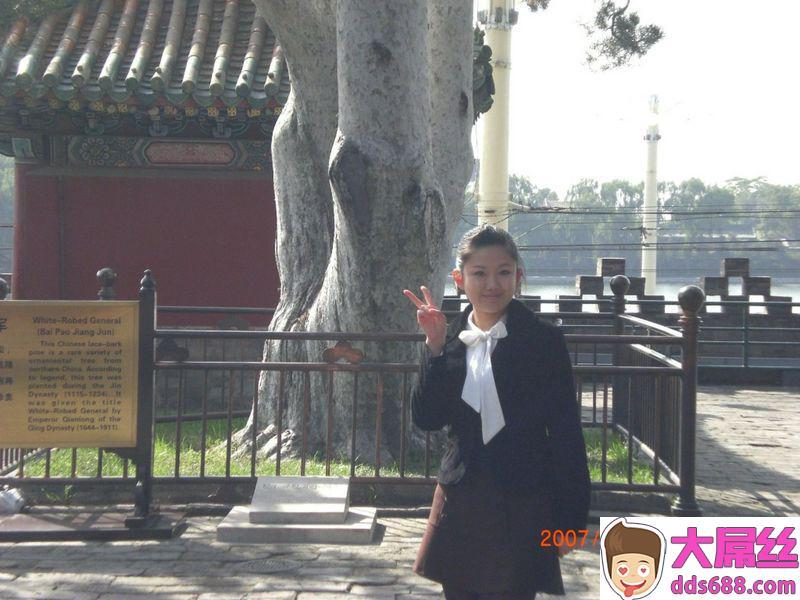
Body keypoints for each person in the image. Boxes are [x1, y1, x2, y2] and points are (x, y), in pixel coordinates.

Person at [403, 224, 591, 600]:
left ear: (518, 277)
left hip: (524, 498)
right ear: (460, 279)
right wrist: (434, 347)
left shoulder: (543, 340)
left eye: (504, 272)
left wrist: (572, 521)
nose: (492, 284)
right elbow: (426, 417)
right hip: (461, 498)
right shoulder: (451, 339)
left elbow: (566, 433)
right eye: (479, 273)